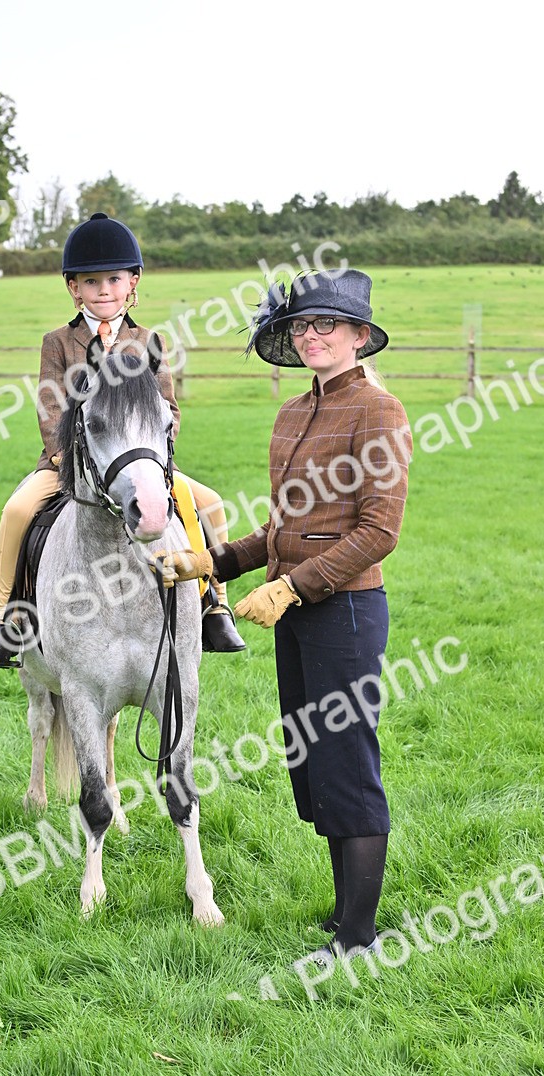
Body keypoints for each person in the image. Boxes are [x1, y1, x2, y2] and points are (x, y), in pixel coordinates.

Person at [157, 269, 412, 959]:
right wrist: (214, 560)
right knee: (316, 764)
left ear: (360, 335)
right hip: (297, 614)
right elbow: (281, 530)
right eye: (301, 325)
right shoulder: (294, 412)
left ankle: (359, 940)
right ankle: (343, 917)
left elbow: (377, 531)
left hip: (346, 614)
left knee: (347, 763)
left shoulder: (378, 410)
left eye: (327, 324)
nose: (311, 336)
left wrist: (295, 587)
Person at [0, 212, 246, 666]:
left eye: (114, 279)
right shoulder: (58, 342)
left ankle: (213, 604)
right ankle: (9, 618)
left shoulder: (148, 341)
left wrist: (156, 457)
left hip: (142, 462)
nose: (104, 289)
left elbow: (169, 410)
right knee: (17, 510)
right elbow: (49, 406)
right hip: (72, 463)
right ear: (73, 288)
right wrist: (66, 456)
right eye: (91, 281)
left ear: (132, 282)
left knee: (211, 503)